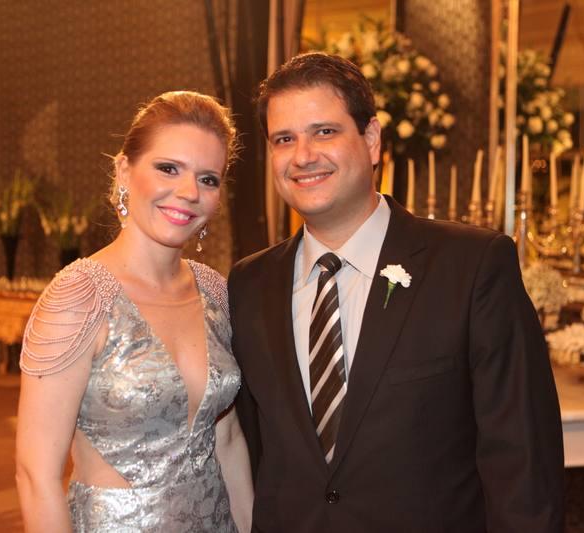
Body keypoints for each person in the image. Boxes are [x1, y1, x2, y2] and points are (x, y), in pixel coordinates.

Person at [229, 52, 564, 532]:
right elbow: (254, 453)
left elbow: (524, 465)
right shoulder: (248, 284)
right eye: (284, 139)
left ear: (371, 140)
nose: (302, 156)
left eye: (324, 131)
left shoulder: (471, 266)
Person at [15, 91, 253, 532]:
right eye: (168, 168)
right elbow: (36, 475)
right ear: (125, 170)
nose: (189, 192)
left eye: (208, 179)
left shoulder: (215, 291)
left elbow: (227, 438)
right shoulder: (79, 296)